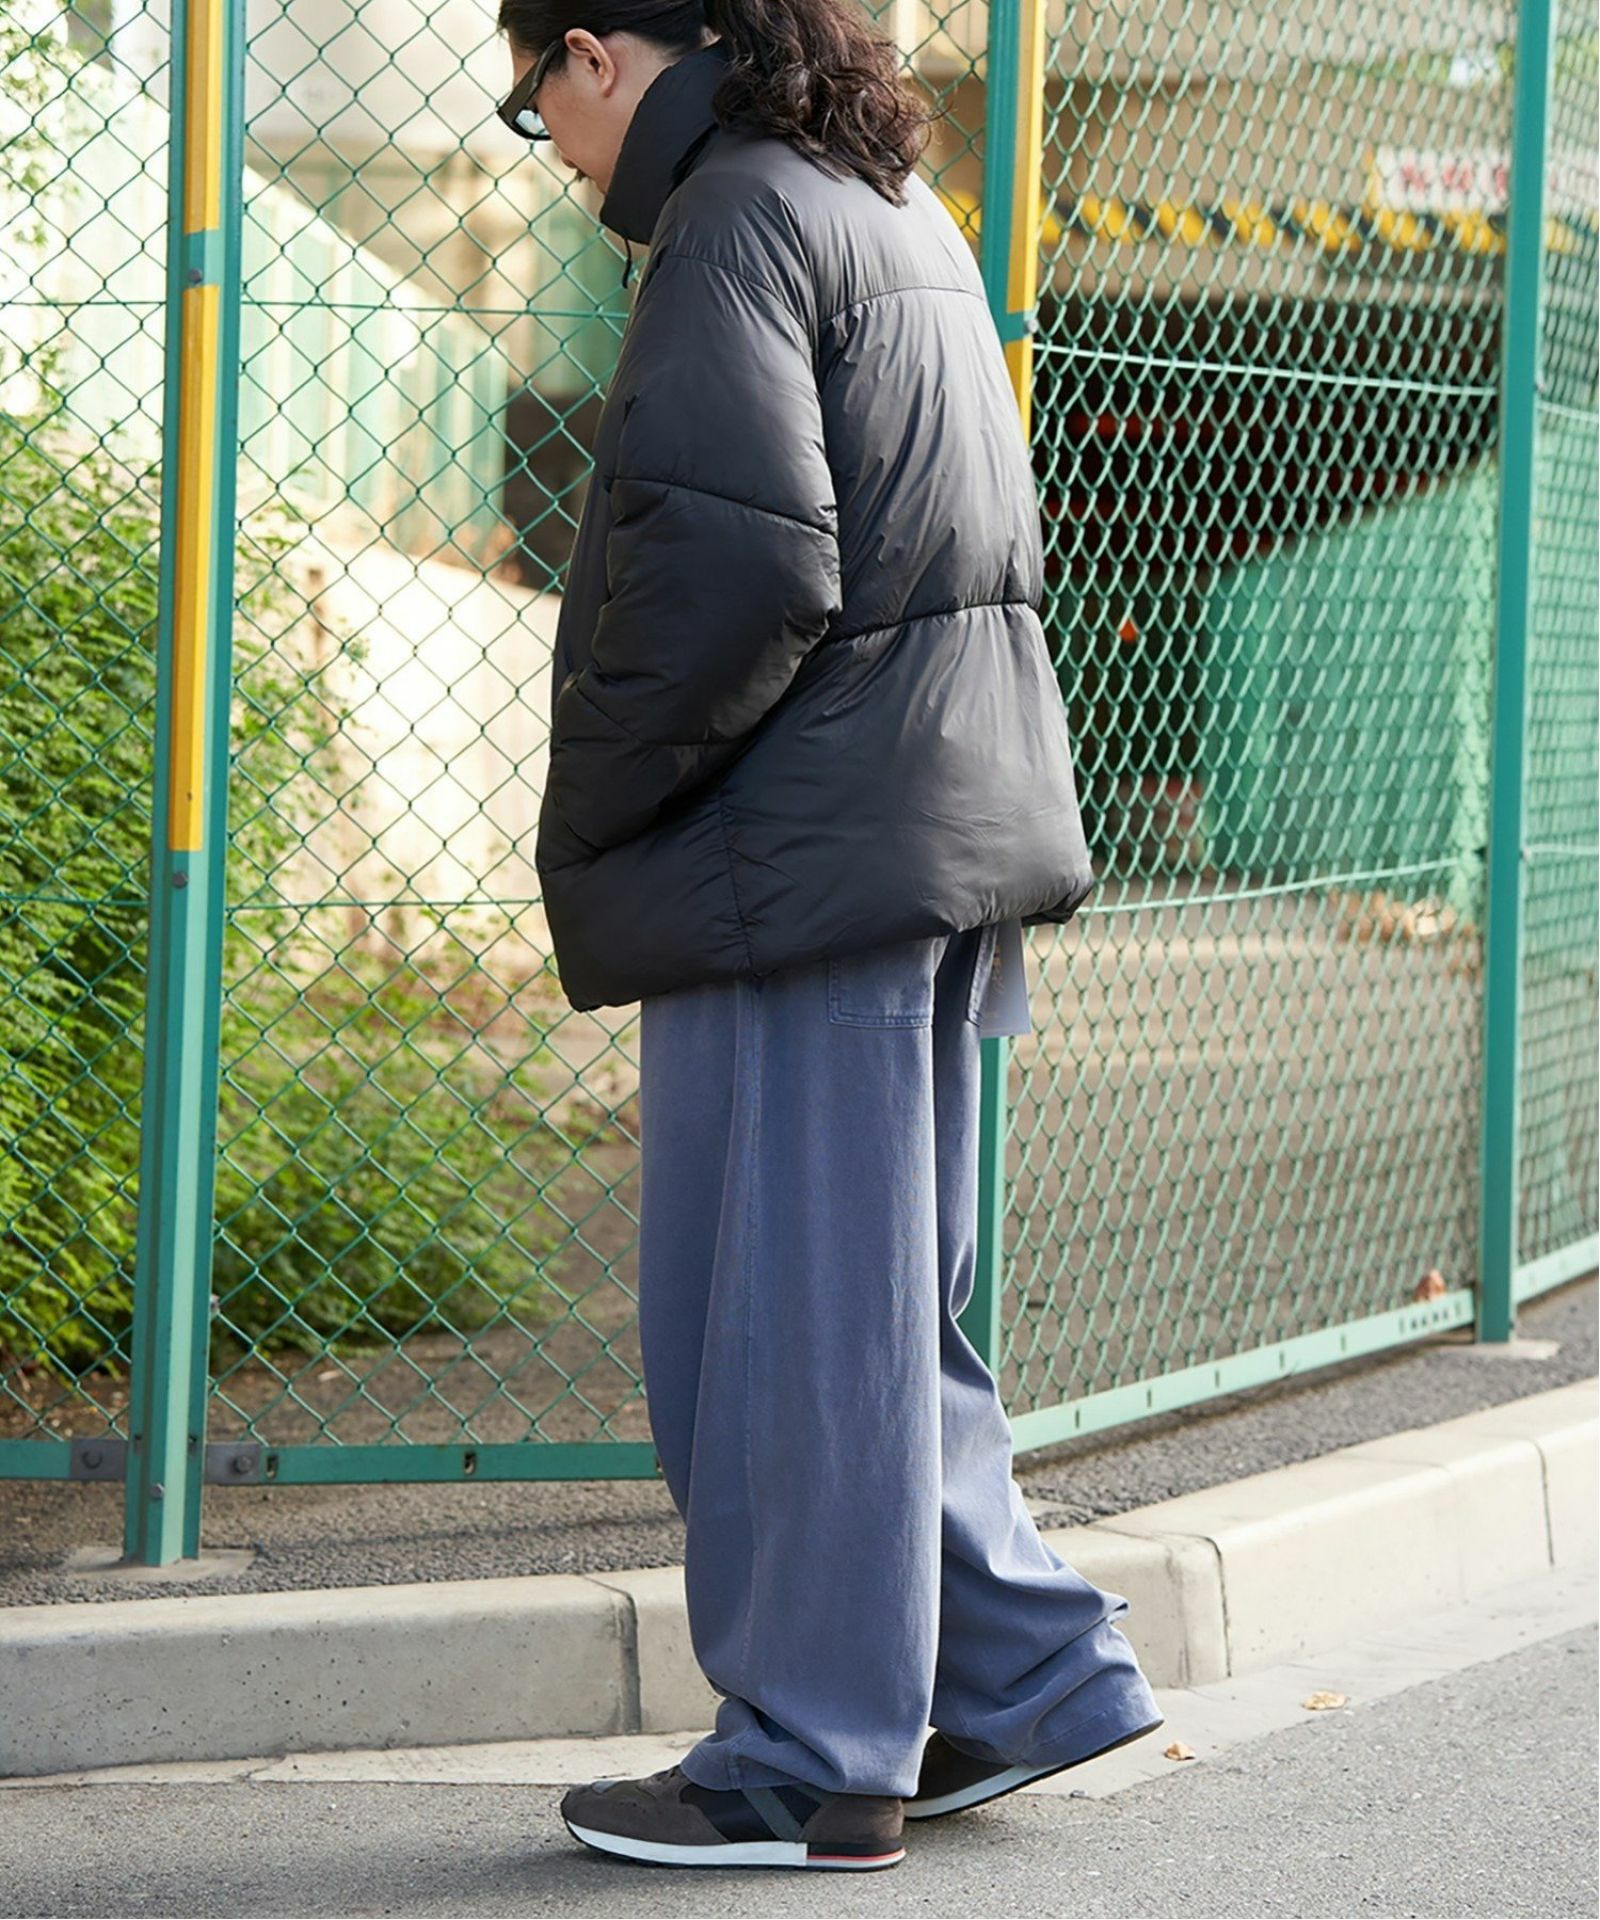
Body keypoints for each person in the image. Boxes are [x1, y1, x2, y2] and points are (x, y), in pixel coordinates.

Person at [495, 0, 1165, 1871]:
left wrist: (597, 801)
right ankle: (1015, 1681)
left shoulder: (735, 213)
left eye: (531, 100)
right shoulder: (884, 199)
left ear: (596, 54)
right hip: (921, 831)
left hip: (797, 862)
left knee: (777, 1327)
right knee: (868, 1316)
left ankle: (807, 1754)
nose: (549, 148)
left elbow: (740, 566)